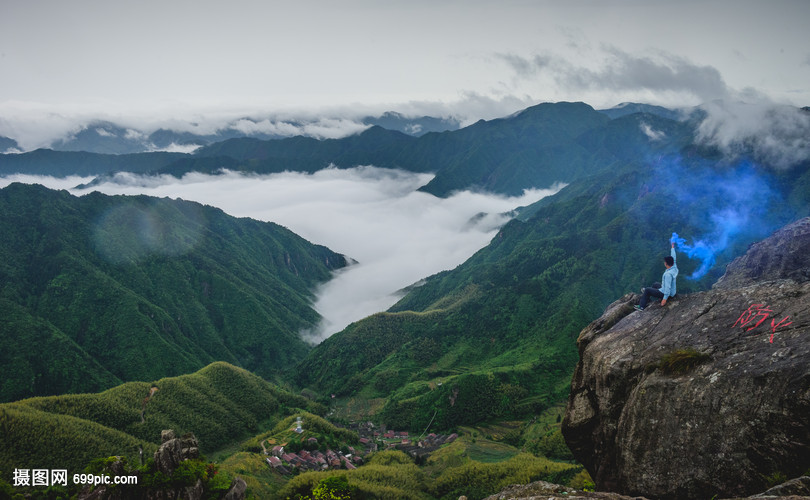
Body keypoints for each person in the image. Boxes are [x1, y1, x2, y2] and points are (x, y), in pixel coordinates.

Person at [635, 241, 678, 311]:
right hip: (671, 292)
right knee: (656, 284)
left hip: (667, 294)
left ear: (666, 264)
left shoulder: (668, 275)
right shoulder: (674, 267)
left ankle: (641, 307)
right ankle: (647, 298)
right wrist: (672, 247)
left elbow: (667, 288)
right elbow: (674, 257)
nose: (664, 262)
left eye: (665, 262)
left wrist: (664, 299)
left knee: (647, 290)